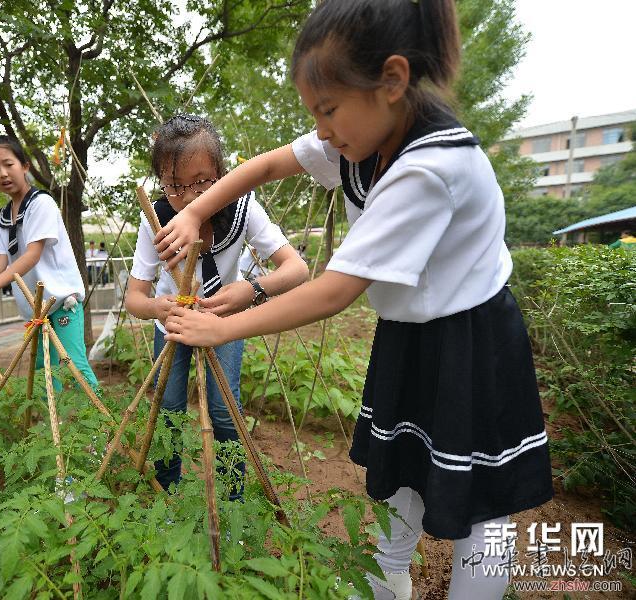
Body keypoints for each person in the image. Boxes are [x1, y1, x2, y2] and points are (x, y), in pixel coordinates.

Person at [155, 2, 552, 598]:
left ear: (392, 81)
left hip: (471, 340)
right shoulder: (360, 140)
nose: (319, 129)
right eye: (314, 112)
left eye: (328, 109)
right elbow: (265, 165)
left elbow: (335, 289)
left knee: (481, 503)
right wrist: (193, 210)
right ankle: (388, 577)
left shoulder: (431, 167)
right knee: (401, 470)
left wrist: (222, 328)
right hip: (411, 331)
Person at [126, 113, 308, 499]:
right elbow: (134, 298)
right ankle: (168, 498)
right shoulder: (156, 219)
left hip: (225, 323)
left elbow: (297, 270)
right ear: (160, 181)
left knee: (225, 413)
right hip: (172, 326)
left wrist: (252, 289)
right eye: (174, 185)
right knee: (168, 411)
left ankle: (233, 502)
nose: (190, 197)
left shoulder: (244, 210)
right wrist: (159, 308)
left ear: (221, 174)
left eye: (202, 182)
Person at [0, 135, 98, 390]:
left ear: (25, 166)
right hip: (36, 309)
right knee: (44, 372)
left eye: (8, 164)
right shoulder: (3, 216)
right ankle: (52, 427)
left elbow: (33, 254)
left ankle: (103, 427)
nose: (2, 173)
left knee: (74, 367)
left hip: (62, 302)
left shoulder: (41, 203)